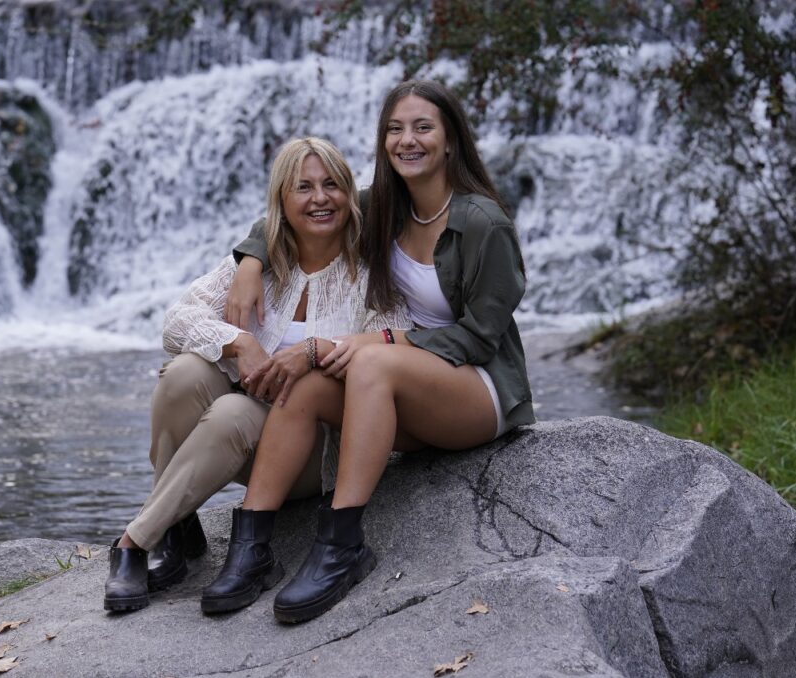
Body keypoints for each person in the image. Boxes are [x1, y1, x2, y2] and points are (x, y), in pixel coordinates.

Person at [210, 79, 534, 623]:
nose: (408, 140)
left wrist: (382, 339)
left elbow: (481, 337)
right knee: (306, 383)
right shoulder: (383, 207)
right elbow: (298, 213)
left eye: (423, 127)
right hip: (402, 386)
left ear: (450, 140)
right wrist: (250, 261)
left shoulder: (484, 224)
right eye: (395, 129)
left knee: (362, 361)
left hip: (476, 389)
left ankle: (341, 545)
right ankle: (252, 546)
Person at [104, 136, 411, 612]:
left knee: (232, 410)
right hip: (241, 439)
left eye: (332, 185)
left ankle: (135, 541)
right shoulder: (258, 263)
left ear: (350, 193)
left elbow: (393, 344)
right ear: (281, 201)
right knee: (183, 373)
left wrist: (316, 353)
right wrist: (240, 343)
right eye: (303, 187)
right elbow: (176, 322)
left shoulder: (372, 271)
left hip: (314, 452)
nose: (320, 198)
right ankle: (176, 530)